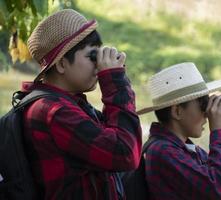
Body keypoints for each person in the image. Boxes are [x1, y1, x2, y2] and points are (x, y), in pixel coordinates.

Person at [23, 9, 142, 199]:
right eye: (92, 57)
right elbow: (126, 153)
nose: (98, 64)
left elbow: (116, 137)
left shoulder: (66, 104)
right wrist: (114, 81)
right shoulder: (54, 112)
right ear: (61, 64)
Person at [138, 62, 221, 200]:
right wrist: (219, 132)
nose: (206, 114)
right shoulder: (163, 152)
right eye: (202, 105)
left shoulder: (182, 148)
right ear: (177, 111)